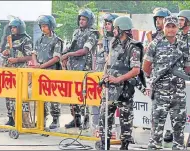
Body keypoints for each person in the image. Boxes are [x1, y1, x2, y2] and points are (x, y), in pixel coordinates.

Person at [143, 16, 190, 150]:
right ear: (163, 28)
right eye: (168, 26)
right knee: (156, 131)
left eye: (173, 27)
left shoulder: (183, 45)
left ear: (177, 28)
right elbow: (146, 67)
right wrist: (156, 78)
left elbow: (188, 67)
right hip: (160, 94)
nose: (170, 30)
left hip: (178, 94)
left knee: (179, 130)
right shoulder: (155, 44)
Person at [96, 16, 142, 150]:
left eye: (116, 28)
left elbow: (135, 70)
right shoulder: (113, 43)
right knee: (105, 117)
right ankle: (105, 143)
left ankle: (124, 146)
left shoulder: (134, 46)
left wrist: (118, 79)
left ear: (121, 29)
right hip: (110, 89)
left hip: (124, 89)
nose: (114, 31)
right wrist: (105, 77)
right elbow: (108, 62)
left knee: (125, 120)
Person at [61, 8, 99, 130]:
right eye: (80, 19)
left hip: (84, 68)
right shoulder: (76, 32)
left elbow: (85, 50)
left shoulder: (92, 33)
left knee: (83, 95)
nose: (81, 21)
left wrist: (68, 55)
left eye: (84, 19)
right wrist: (64, 54)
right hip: (73, 68)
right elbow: (71, 46)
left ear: (89, 21)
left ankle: (86, 120)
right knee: (72, 94)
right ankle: (76, 119)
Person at [31, 15, 63, 129]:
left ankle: (55, 120)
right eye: (41, 26)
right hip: (40, 74)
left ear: (51, 26)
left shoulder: (57, 41)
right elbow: (33, 53)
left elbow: (56, 58)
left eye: (45, 26)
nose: (43, 29)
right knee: (41, 97)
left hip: (52, 73)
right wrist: (35, 64)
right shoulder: (39, 40)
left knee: (53, 97)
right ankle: (41, 119)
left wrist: (42, 66)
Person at [1, 17, 33, 127]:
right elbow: (6, 52)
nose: (13, 29)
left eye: (15, 27)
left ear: (20, 28)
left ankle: (24, 120)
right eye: (11, 27)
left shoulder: (26, 40)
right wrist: (5, 52)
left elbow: (29, 57)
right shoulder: (10, 39)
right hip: (9, 71)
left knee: (22, 97)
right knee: (8, 95)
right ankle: (11, 117)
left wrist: (17, 60)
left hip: (20, 72)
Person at [92, 13, 119, 132]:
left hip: (112, 78)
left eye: (109, 24)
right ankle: (97, 125)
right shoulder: (103, 40)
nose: (107, 26)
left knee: (110, 105)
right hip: (99, 76)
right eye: (105, 24)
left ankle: (111, 128)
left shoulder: (117, 40)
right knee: (97, 103)